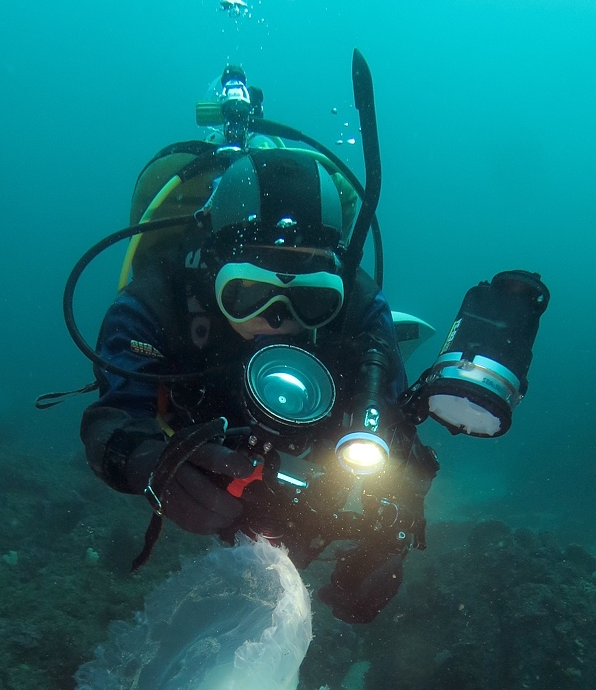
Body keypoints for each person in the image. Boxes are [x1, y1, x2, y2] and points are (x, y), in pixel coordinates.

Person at [71, 63, 548, 624]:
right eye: (250, 294)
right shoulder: (154, 304)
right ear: (213, 272)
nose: (279, 320)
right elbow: (110, 420)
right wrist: (148, 461)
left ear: (336, 290)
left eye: (310, 302)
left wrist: (389, 539)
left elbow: (393, 436)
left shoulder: (359, 310)